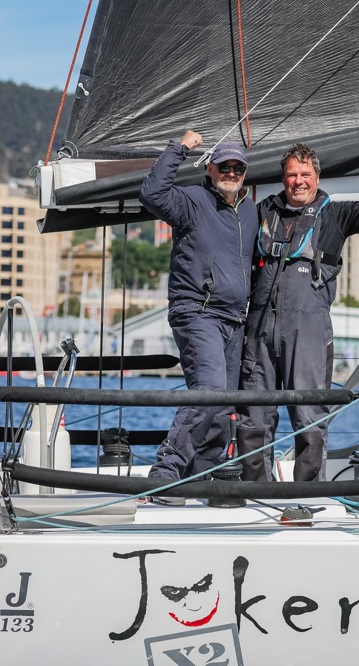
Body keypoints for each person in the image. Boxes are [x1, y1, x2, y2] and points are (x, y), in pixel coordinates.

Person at [237, 129, 359, 482]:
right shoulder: (263, 211)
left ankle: (305, 495)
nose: (298, 182)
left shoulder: (336, 216)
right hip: (259, 332)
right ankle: (255, 490)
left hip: (308, 334)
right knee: (254, 417)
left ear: (317, 177)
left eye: (305, 175)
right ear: (283, 178)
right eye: (291, 175)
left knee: (309, 417)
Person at [139, 131, 257, 483]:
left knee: (221, 409)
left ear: (246, 172)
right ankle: (165, 472)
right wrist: (179, 149)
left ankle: (202, 477)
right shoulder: (191, 200)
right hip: (198, 311)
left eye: (238, 167)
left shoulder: (250, 211)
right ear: (210, 168)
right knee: (209, 390)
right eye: (224, 166)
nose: (231, 172)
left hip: (234, 320)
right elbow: (151, 194)